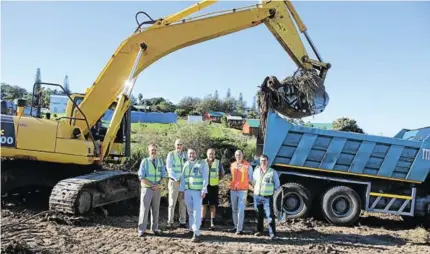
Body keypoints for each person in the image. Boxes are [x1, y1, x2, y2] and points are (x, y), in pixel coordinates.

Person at [178, 148, 209, 243]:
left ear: (196, 154)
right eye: (190, 153)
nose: (191, 155)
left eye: (193, 153)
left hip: (197, 191)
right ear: (187, 155)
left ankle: (197, 233)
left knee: (196, 212)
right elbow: (183, 178)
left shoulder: (202, 164)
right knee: (190, 211)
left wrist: (204, 189)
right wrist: (182, 191)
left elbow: (205, 177)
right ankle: (191, 230)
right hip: (187, 191)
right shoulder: (186, 164)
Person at [137, 144, 166, 237]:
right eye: (151, 150)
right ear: (148, 151)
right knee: (144, 209)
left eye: (155, 150)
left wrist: (159, 184)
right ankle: (141, 229)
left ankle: (155, 228)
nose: (153, 152)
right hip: (147, 189)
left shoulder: (160, 162)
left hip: (157, 189)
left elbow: (163, 175)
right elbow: (141, 176)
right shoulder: (144, 161)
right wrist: (152, 185)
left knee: (155, 210)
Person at [252, 154, 280, 240]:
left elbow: (277, 185)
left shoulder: (272, 172)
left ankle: (272, 234)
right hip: (257, 196)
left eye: (264, 161)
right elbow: (254, 182)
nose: (263, 162)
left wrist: (271, 191)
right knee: (259, 215)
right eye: (261, 161)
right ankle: (260, 231)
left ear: (267, 161)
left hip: (267, 197)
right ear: (259, 161)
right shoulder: (256, 170)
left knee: (270, 215)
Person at [230, 150, 253, 235]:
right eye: (236, 155)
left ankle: (239, 229)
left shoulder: (248, 166)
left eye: (239, 155)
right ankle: (235, 226)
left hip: (242, 190)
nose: (238, 156)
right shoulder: (232, 165)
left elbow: (250, 178)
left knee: (241, 209)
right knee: (234, 209)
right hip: (233, 190)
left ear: (243, 155)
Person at [166, 139, 187, 229]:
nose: (179, 146)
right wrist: (177, 178)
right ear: (175, 145)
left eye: (180, 145)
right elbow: (169, 168)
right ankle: (170, 222)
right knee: (172, 203)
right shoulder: (171, 154)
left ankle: (182, 221)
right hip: (174, 182)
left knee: (183, 202)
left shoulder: (185, 155)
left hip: (183, 183)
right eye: (178, 144)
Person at [201, 148, 225, 229]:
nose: (211, 155)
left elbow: (222, 174)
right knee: (203, 204)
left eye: (213, 154)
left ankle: (212, 223)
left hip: (214, 187)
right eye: (210, 154)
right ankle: (202, 222)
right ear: (207, 154)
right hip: (204, 186)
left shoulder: (218, 163)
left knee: (212, 205)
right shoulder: (202, 162)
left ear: (215, 154)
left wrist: (217, 180)